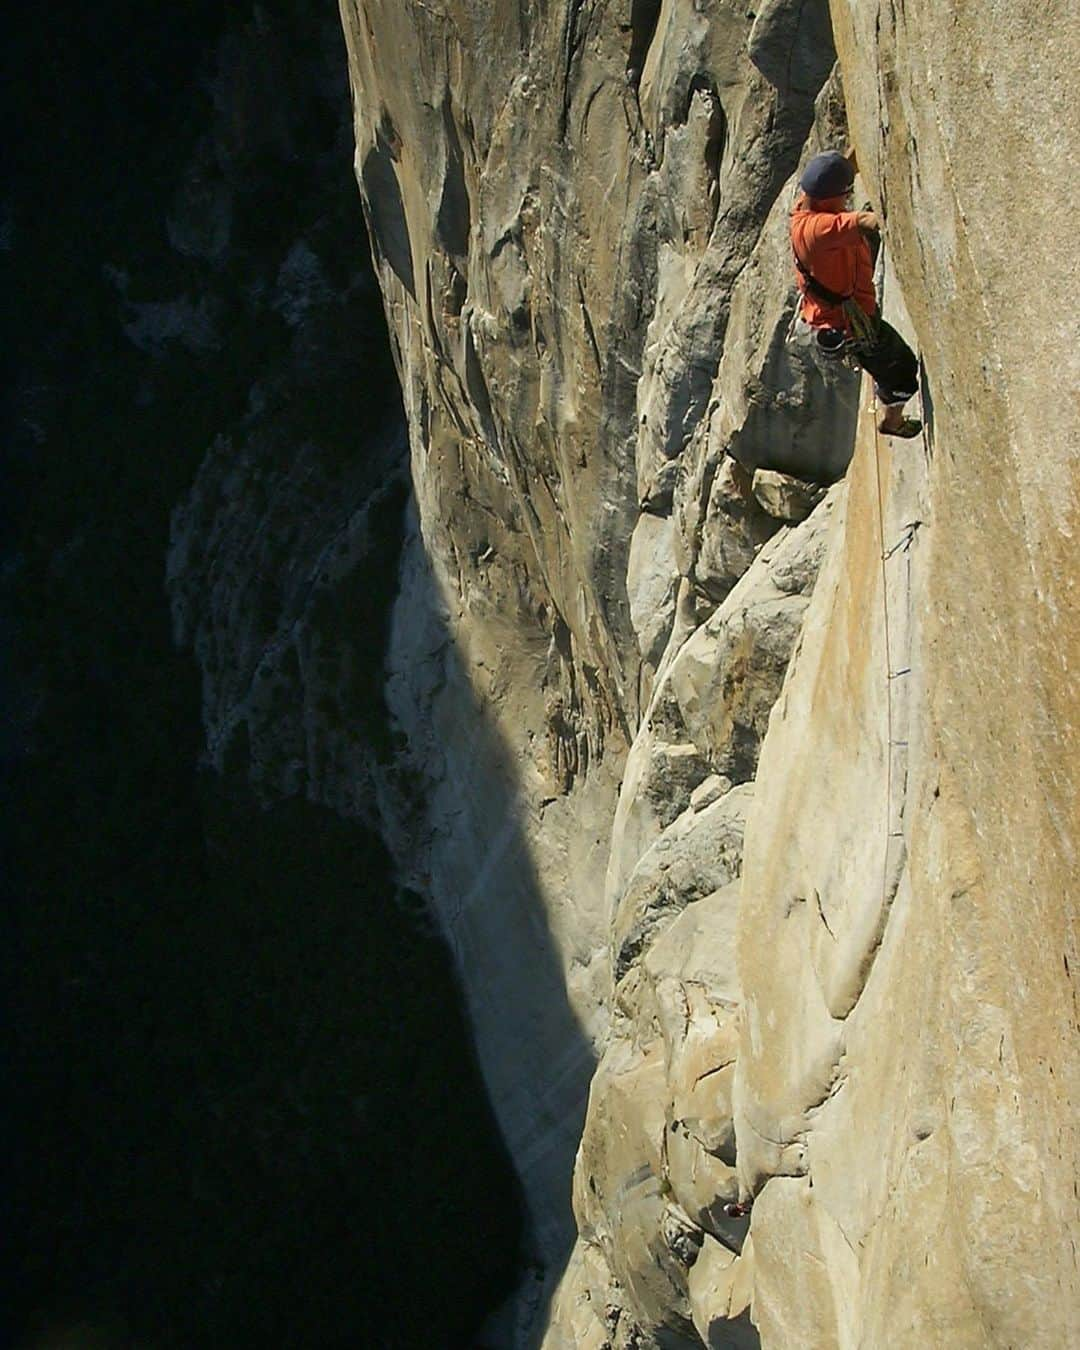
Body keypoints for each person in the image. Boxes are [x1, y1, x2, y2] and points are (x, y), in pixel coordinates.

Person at [791, 149, 922, 438]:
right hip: (851, 324)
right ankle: (892, 422)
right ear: (829, 197)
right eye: (844, 193)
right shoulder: (820, 229)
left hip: (844, 302)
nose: (847, 197)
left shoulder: (808, 203)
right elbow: (864, 222)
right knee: (902, 370)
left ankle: (882, 380)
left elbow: (834, 170)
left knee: (885, 362)